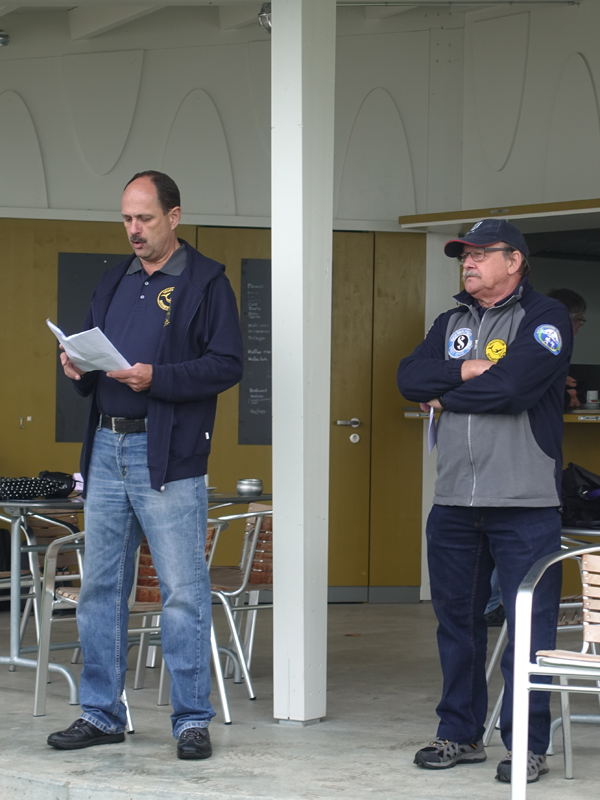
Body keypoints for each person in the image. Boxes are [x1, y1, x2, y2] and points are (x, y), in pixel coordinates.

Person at [47, 171, 243, 759]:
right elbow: (95, 362)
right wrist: (78, 368)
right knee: (101, 589)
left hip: (168, 455)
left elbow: (227, 364)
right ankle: (101, 713)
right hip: (106, 448)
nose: (134, 230)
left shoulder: (206, 282)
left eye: (145, 218)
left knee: (182, 590)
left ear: (174, 217)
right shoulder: (115, 278)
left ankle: (191, 720)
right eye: (127, 219)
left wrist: (157, 378)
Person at [397, 218, 573, 784]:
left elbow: (514, 387)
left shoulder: (545, 317)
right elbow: (407, 378)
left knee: (529, 629)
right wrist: (465, 369)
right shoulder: (450, 320)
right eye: (462, 256)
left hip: (525, 502)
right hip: (453, 501)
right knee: (457, 626)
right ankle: (459, 734)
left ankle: (527, 746)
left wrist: (444, 395)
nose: (467, 263)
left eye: (479, 254)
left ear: (514, 260)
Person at [546, 288, 586, 409]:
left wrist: (555, 379)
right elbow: (525, 390)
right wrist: (566, 397)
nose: (579, 326)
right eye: (580, 320)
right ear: (570, 320)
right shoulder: (547, 347)